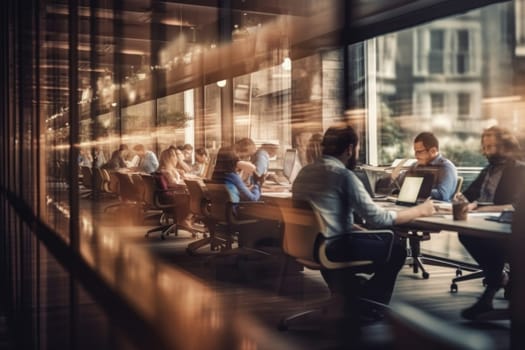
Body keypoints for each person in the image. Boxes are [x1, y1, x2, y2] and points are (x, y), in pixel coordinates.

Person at [292, 124, 435, 316]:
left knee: (374, 239)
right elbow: (378, 218)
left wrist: (354, 227)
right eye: (357, 148)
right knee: (396, 250)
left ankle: (350, 295)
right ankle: (368, 305)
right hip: (332, 247)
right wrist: (420, 210)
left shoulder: (304, 173)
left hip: (308, 246)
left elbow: (321, 216)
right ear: (350, 149)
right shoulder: (342, 176)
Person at [458, 126, 525, 320]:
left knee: (478, 237)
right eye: (486, 147)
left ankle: (494, 286)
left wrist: (479, 208)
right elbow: (470, 195)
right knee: (466, 233)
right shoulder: (488, 170)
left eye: (494, 146)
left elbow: (515, 206)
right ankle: (497, 282)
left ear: (506, 146)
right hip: (486, 222)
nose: (489, 151)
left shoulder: (519, 170)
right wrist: (461, 200)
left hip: (510, 226)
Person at [405, 132, 457, 201]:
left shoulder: (446, 167)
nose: (416, 156)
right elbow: (402, 186)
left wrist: (415, 190)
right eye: (415, 152)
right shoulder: (415, 165)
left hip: (436, 209)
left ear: (433, 151)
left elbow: (443, 195)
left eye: (419, 152)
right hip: (414, 205)